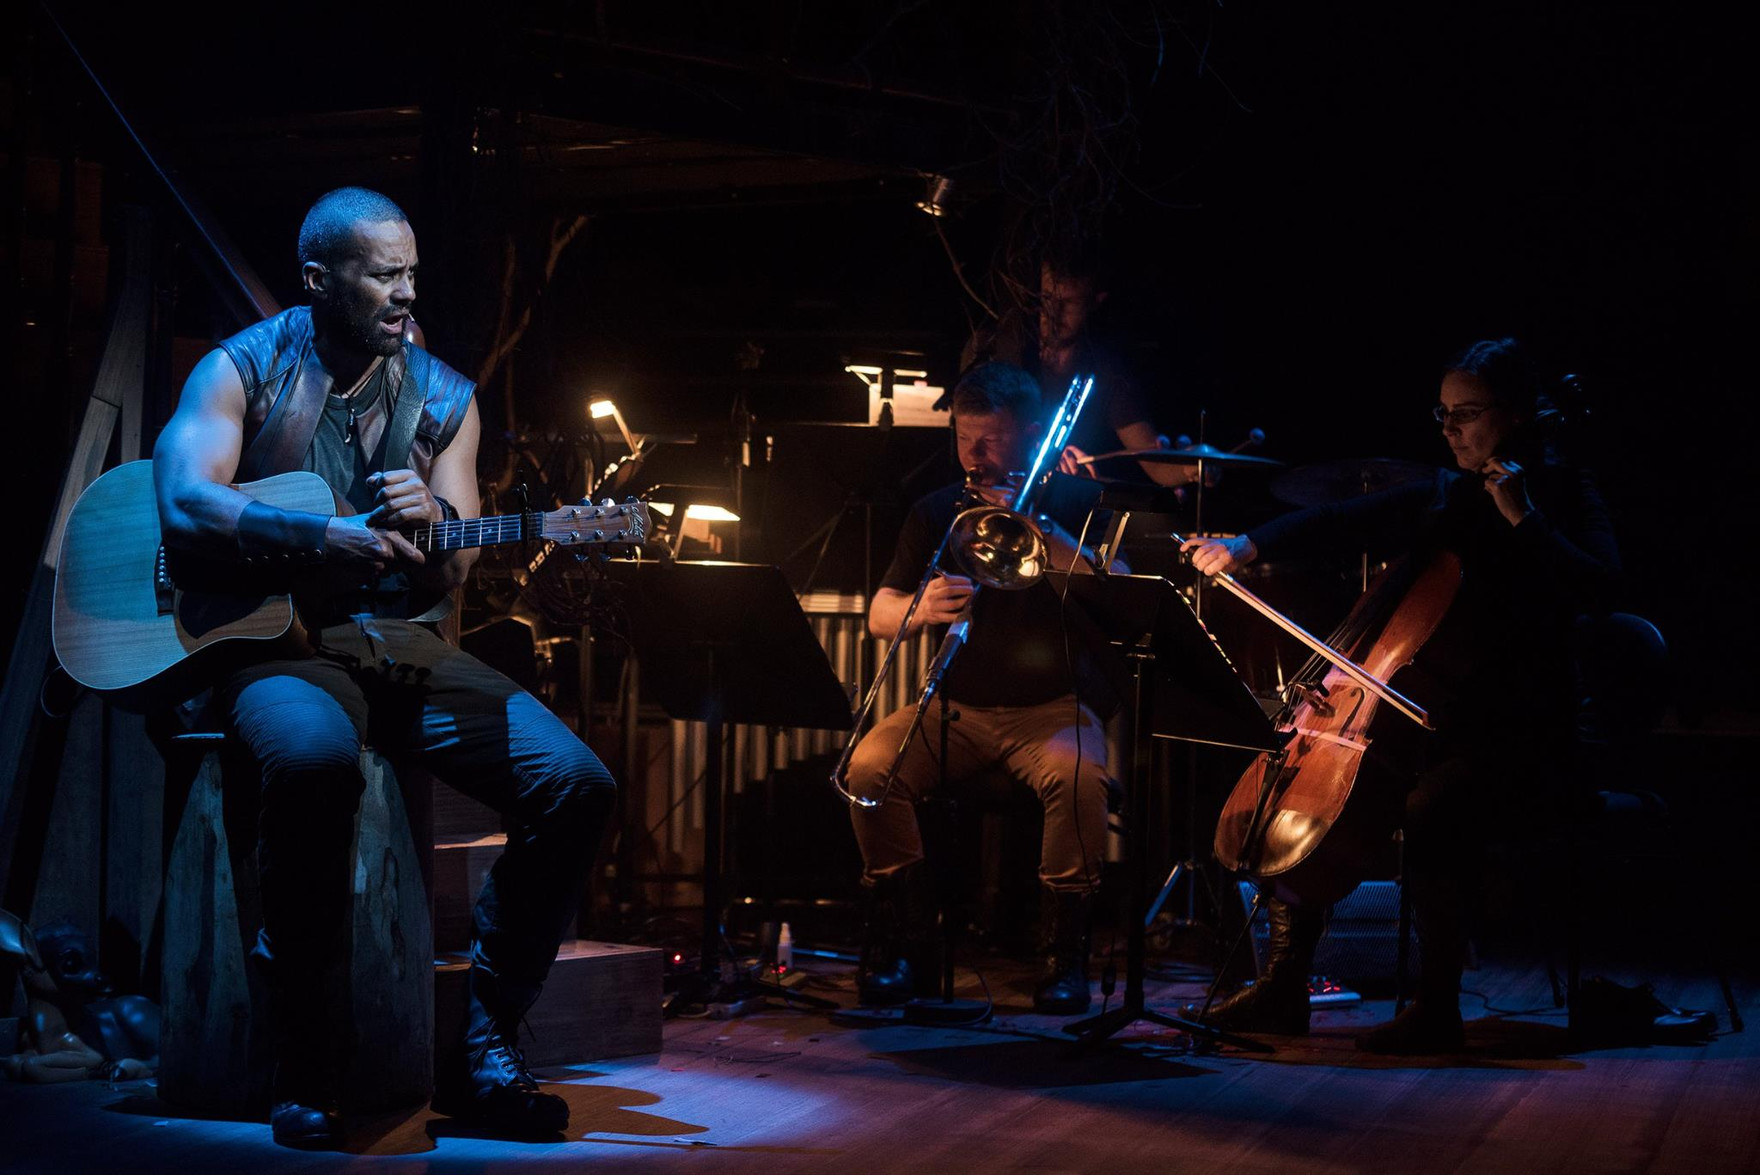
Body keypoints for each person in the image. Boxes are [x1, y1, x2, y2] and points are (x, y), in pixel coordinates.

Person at [152, 187, 617, 1145]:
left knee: (575, 782)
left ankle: (487, 1046)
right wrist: (318, 534)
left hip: (393, 643)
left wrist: (438, 523)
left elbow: (453, 565)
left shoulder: (444, 397)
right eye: (382, 274)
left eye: (411, 271)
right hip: (267, 640)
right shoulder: (246, 368)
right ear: (320, 280)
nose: (405, 292)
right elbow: (186, 503)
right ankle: (308, 1058)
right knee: (316, 758)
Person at [1181, 338, 1621, 1053]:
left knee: (1431, 804)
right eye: (1442, 414)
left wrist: (1526, 519)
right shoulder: (1450, 491)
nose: (1448, 430)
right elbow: (1342, 520)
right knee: (1319, 795)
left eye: (1466, 414)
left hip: (1525, 733)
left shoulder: (1564, 490)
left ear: (1512, 415)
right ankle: (1285, 985)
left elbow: (1601, 588)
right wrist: (1247, 545)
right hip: (1436, 724)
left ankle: (1438, 1003)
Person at [843, 361, 1119, 1015]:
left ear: (1028, 434)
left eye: (989, 439)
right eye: (965, 438)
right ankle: (903, 942)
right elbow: (879, 612)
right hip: (953, 708)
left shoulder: (1078, 502)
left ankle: (1063, 956)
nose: (974, 453)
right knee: (869, 767)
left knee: (1079, 778)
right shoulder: (937, 510)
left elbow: (1116, 590)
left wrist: (1040, 529)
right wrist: (922, 607)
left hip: (1052, 710)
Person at [965, 256, 1195, 488]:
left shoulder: (1106, 373)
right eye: (1047, 298)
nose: (1053, 313)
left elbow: (1157, 466)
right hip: (992, 490)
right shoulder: (1002, 348)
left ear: (1095, 301)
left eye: (1069, 303)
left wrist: (1194, 465)